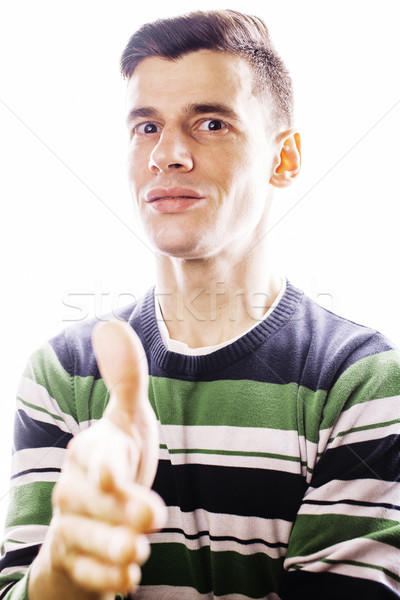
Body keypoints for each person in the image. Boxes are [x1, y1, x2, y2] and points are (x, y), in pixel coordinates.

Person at [0, 8, 399, 600]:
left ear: (283, 158)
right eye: (146, 127)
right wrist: (63, 574)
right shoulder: (63, 375)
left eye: (210, 123)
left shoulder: (361, 380)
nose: (168, 155)